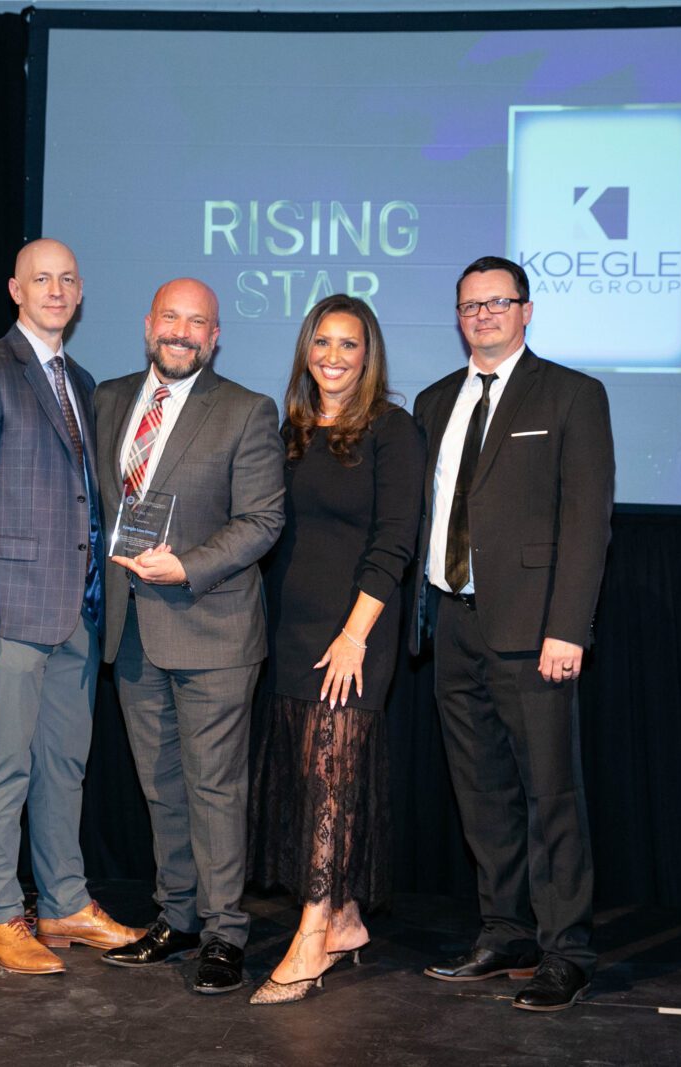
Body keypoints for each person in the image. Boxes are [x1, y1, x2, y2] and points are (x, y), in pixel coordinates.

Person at [0, 238, 142, 975]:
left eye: (67, 280)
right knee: (4, 767)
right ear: (15, 289)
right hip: (7, 613)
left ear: (80, 294)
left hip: (76, 613)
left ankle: (63, 903)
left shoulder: (81, 380)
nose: (55, 290)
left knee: (64, 767)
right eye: (41, 279)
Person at [412, 256, 615, 1012]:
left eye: (498, 302)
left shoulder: (571, 395)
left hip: (535, 633)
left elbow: (587, 521)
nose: (484, 315)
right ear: (458, 315)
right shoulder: (433, 401)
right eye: (470, 304)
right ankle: (505, 932)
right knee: (481, 793)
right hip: (452, 622)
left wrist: (569, 627)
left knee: (550, 793)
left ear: (526, 311)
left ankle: (567, 949)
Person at [94, 278, 285, 996]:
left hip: (213, 626)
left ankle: (224, 932)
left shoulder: (245, 409)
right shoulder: (110, 399)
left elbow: (263, 520)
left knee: (214, 788)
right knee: (161, 787)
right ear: (149, 325)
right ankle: (175, 916)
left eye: (197, 322)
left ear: (215, 335)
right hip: (133, 626)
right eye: (171, 317)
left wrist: (187, 565)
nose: (182, 331)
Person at [247, 295, 421, 1005]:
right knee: (307, 773)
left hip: (355, 631)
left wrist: (355, 634)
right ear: (306, 350)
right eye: (322, 342)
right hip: (293, 629)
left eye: (350, 344)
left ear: (368, 354)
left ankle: (313, 932)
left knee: (331, 780)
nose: (334, 356)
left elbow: (395, 541)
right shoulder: (291, 429)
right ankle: (346, 917)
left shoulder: (393, 429)